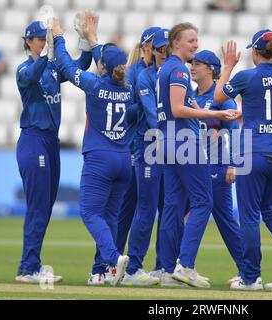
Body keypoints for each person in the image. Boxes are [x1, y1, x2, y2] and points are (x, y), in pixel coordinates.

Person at [51, 16, 136, 286]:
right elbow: (107, 61)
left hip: (100, 157)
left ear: (102, 67)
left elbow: (64, 65)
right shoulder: (130, 87)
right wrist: (92, 37)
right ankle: (101, 272)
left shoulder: (95, 85)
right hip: (124, 159)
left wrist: (58, 38)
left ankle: (112, 258)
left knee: (89, 212)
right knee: (109, 216)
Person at [214, 30, 272, 291]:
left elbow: (219, 98)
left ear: (254, 51)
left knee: (250, 216)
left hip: (253, 153)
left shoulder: (246, 76)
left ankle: (251, 277)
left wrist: (228, 65)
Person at [156, 22, 240, 288]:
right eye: (191, 41)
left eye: (197, 40)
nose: (195, 45)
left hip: (167, 141)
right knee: (203, 203)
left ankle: (168, 269)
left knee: (173, 206)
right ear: (176, 42)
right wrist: (216, 114)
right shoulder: (179, 68)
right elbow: (179, 110)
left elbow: (176, 107)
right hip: (185, 143)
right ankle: (186, 266)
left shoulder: (164, 69)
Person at [15, 19, 92, 284]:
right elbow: (33, 75)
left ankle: (31, 264)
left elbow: (80, 67)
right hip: (33, 140)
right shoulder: (24, 68)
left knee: (45, 207)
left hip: (50, 142)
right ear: (28, 42)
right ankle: (27, 268)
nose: (41, 42)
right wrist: (50, 51)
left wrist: (85, 39)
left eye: (44, 38)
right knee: (38, 206)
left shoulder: (53, 66)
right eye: (38, 39)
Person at [120, 28, 172, 287]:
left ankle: (163, 265)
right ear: (149, 48)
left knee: (167, 207)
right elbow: (152, 116)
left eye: (166, 48)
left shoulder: (170, 73)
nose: (164, 53)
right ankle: (130, 267)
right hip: (148, 145)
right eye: (160, 48)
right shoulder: (142, 76)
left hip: (169, 146)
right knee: (143, 207)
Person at [191, 49, 246, 285]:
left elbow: (234, 132)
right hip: (191, 165)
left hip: (217, 165)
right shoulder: (190, 95)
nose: (192, 66)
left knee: (224, 219)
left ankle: (247, 270)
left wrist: (233, 165)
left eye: (198, 64)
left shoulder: (223, 98)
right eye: (192, 62)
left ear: (211, 69)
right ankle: (177, 266)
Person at [115, 26, 162, 259]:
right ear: (147, 47)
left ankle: (163, 264)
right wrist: (145, 105)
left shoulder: (162, 72)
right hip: (136, 145)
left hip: (155, 146)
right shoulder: (133, 73)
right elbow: (126, 113)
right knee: (128, 207)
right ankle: (111, 259)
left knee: (154, 205)